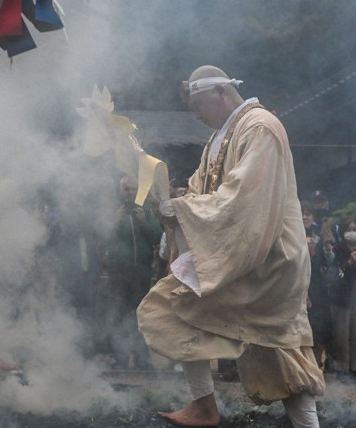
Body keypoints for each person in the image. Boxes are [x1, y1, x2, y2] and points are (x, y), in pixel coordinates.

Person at [138, 65, 324, 428]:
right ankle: (206, 407)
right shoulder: (220, 138)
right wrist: (173, 203)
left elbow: (243, 201)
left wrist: (182, 210)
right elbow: (201, 193)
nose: (196, 115)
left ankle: (204, 408)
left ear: (222, 93)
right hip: (251, 258)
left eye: (199, 106)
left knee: (172, 307)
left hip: (267, 260)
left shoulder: (260, 128)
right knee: (279, 348)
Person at [102, 176, 163, 369]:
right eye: (126, 189)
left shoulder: (145, 211)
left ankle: (141, 359)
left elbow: (158, 238)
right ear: (120, 192)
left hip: (142, 271)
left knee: (141, 315)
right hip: (118, 272)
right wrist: (115, 222)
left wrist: (144, 221)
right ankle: (120, 358)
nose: (130, 193)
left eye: (133, 190)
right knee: (119, 314)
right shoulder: (112, 212)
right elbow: (103, 238)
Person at [329, 218, 356, 381]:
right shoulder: (337, 249)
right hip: (341, 298)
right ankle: (341, 369)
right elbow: (337, 275)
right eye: (349, 229)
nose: (352, 232)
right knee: (341, 334)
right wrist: (348, 263)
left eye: (355, 228)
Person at [302, 200, 333, 373]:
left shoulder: (318, 236)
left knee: (319, 328)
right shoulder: (290, 234)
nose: (305, 216)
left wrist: (328, 247)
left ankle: (316, 366)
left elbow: (328, 262)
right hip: (296, 287)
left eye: (308, 213)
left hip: (316, 288)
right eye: (302, 212)